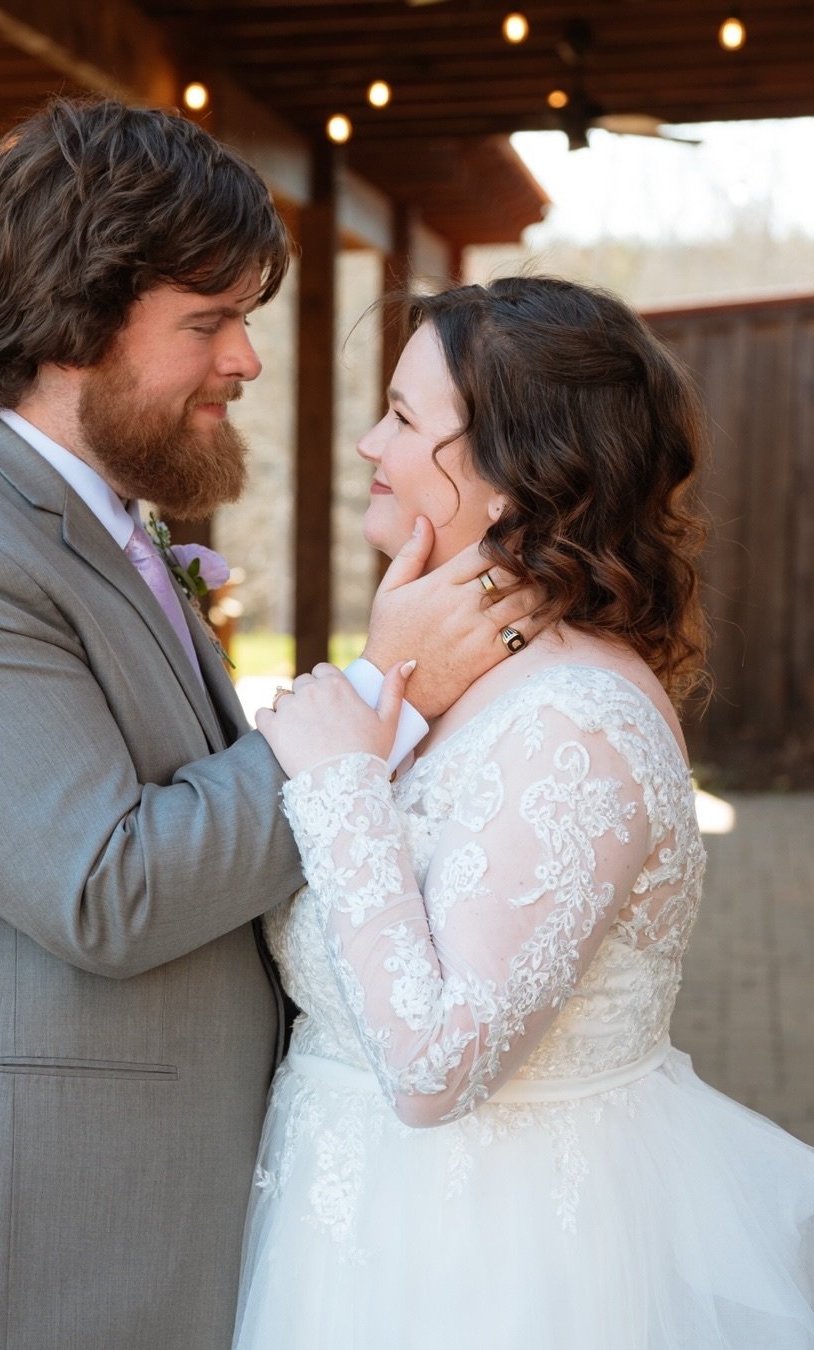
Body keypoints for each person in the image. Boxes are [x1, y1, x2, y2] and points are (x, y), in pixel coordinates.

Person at [0, 99, 539, 1350]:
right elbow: (109, 888)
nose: (247, 361)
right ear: (72, 323)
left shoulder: (100, 528)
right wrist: (381, 691)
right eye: (208, 323)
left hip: (93, 1234)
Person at [235, 276, 814, 1349]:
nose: (368, 443)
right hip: (356, 1235)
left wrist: (339, 784)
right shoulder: (463, 682)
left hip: (503, 1269)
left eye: (401, 416)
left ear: (511, 478)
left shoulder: (577, 724)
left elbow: (437, 1066)